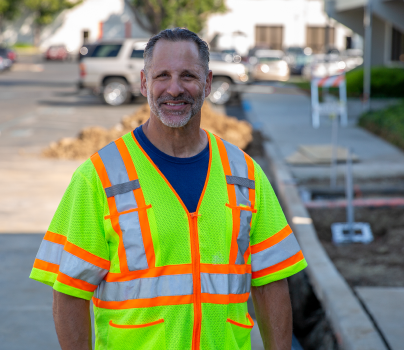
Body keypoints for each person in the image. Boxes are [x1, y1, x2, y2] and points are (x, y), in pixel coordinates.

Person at [30, 28, 307, 350]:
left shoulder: (244, 174)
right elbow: (69, 293)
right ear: (144, 82)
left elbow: (271, 282)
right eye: (162, 76)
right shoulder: (99, 176)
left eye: (188, 75)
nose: (174, 89)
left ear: (207, 82)